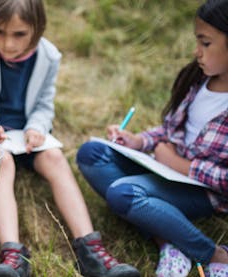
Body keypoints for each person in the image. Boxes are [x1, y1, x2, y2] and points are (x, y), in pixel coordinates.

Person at [0, 0, 140, 276]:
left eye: (19, 34)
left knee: (55, 158)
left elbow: (44, 105)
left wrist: (37, 127)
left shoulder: (49, 56)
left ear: (37, 29)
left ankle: (92, 252)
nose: (8, 43)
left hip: (29, 136)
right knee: (3, 162)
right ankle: (13, 256)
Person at [76, 1, 228, 276]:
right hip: (166, 170)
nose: (197, 52)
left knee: (123, 193)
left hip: (203, 191)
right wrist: (139, 141)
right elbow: (172, 131)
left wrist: (176, 163)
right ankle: (168, 240)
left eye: (205, 43)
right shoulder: (198, 79)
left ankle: (214, 255)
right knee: (91, 152)